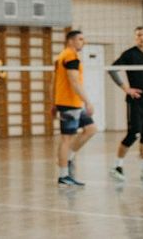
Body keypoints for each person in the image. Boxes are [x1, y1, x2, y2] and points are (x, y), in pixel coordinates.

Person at [109, 27, 143, 182]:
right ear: (135, 38)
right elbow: (112, 70)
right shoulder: (129, 54)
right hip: (135, 100)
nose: (141, 38)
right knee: (133, 134)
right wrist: (126, 88)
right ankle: (117, 166)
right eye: (138, 35)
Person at [53, 30, 97, 187]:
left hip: (73, 102)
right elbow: (74, 82)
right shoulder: (70, 56)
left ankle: (68, 157)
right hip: (69, 103)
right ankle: (64, 176)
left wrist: (54, 103)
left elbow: (56, 81)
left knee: (91, 129)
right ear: (70, 41)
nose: (83, 42)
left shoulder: (62, 55)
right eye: (80, 39)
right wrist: (88, 101)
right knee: (66, 139)